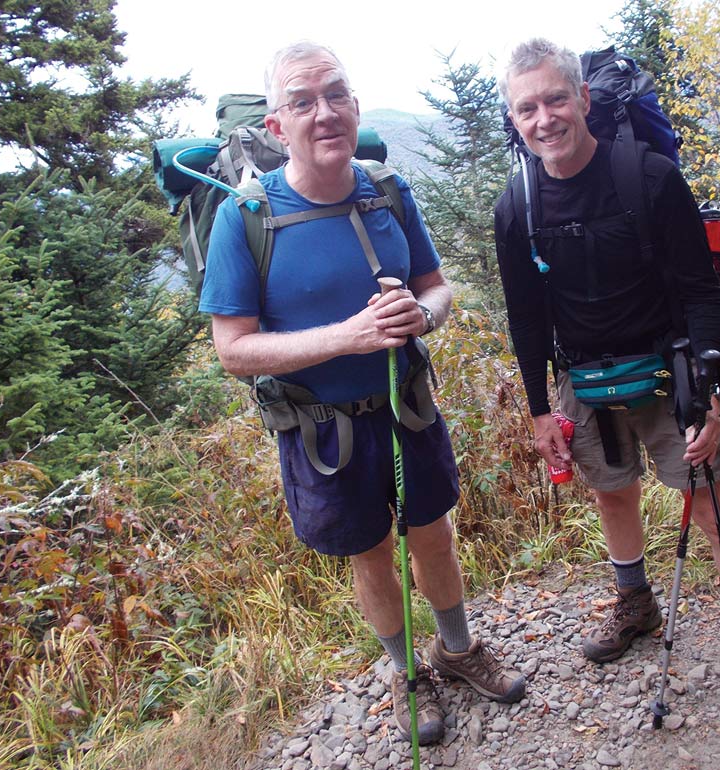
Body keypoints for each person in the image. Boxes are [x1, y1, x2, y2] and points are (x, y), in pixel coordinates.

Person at [199, 41, 525, 745]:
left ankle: (458, 649)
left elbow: (438, 290)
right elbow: (232, 349)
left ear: (354, 106)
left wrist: (423, 314)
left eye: (336, 95)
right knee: (370, 552)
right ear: (277, 127)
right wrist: (344, 337)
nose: (324, 113)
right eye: (302, 101)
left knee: (434, 532)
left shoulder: (389, 192)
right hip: (322, 431)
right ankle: (409, 674)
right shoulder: (246, 218)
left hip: (406, 405)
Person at [494, 37, 720, 738]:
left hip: (667, 373)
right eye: (528, 107)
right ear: (515, 119)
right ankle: (636, 604)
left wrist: (711, 390)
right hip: (583, 380)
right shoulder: (516, 206)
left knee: (716, 510)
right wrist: (540, 409)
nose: (544, 118)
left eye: (555, 99)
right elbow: (525, 314)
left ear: (584, 100)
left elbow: (699, 292)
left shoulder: (650, 177)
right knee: (611, 494)